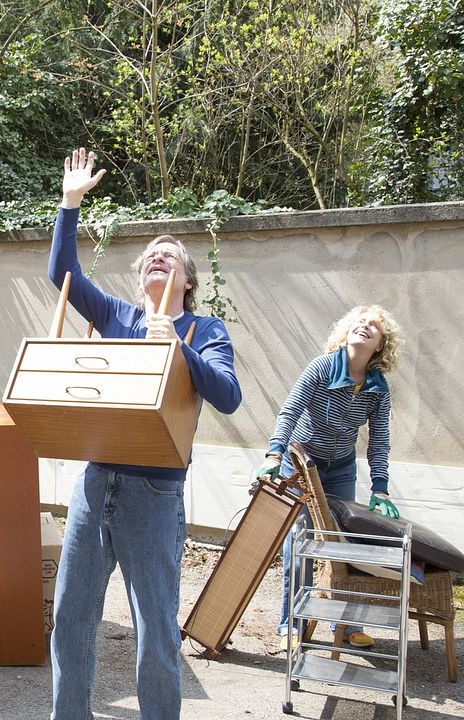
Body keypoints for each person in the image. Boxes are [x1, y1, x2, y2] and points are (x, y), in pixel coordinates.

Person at [48, 148, 241, 720]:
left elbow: (228, 395)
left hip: (154, 495)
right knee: (70, 620)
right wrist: (70, 203)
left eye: (169, 256)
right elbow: (63, 276)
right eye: (150, 256)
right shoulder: (119, 318)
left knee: (155, 632)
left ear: (188, 279)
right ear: (140, 278)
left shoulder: (206, 329)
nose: (157, 258)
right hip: (94, 483)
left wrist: (176, 347)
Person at [258, 305, 403, 650]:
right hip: (303, 465)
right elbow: (291, 409)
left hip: (340, 469)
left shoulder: (378, 388)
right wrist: (275, 453)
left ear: (382, 344)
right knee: (300, 542)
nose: (365, 327)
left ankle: (347, 625)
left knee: (343, 546)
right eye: (360, 321)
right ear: (347, 330)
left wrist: (380, 487)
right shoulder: (323, 367)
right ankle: (291, 622)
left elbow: (379, 441)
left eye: (374, 326)